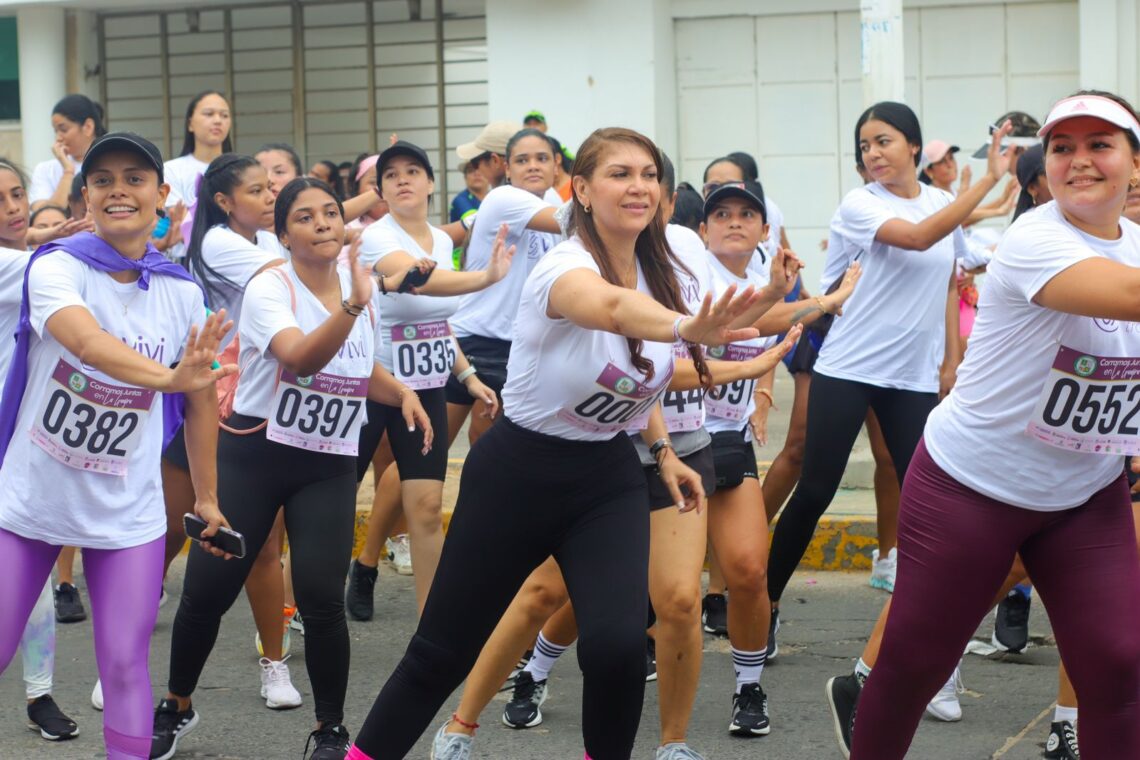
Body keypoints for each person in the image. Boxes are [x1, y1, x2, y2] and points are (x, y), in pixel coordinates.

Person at [344, 127, 766, 760]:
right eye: (620, 173)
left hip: (607, 478)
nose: (639, 186)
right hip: (519, 473)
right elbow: (610, 313)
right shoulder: (562, 265)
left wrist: (663, 451)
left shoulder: (662, 268)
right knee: (441, 653)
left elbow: (634, 371)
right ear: (583, 192)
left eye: (649, 174)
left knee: (620, 649)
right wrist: (685, 326)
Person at [834, 91, 1140, 760]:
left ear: (1134, 164)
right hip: (970, 487)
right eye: (1063, 148)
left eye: (1100, 145)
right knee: (915, 661)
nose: (1079, 161)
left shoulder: (1136, 246)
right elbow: (1128, 298)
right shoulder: (1036, 236)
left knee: (1118, 667)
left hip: (1083, 493)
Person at [152, 177, 432, 760]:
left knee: (322, 597)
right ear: (283, 235)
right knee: (208, 590)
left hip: (327, 460)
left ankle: (330, 729)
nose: (324, 223)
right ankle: (176, 706)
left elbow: (354, 369)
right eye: (304, 217)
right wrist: (353, 303)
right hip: (254, 454)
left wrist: (399, 390)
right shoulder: (269, 287)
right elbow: (302, 358)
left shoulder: (361, 294)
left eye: (331, 212)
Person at [0, 131, 234, 760]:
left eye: (135, 178)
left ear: (162, 196)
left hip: (126, 511)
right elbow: (85, 341)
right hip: (31, 499)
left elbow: (201, 399)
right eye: (103, 180)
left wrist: (208, 497)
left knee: (127, 664)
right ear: (86, 196)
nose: (119, 190)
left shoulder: (181, 291)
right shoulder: (58, 266)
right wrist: (169, 377)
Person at [764, 102, 1014, 657]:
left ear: (914, 148)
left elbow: (964, 260)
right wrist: (990, 181)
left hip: (912, 379)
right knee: (815, 491)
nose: (873, 154)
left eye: (884, 142)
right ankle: (765, 604)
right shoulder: (861, 204)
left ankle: (921, 633)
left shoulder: (940, 201)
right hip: (848, 369)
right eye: (865, 146)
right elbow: (921, 238)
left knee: (927, 500)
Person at [344, 140, 505, 617]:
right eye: (391, 175)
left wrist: (468, 374)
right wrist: (486, 277)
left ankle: (431, 627)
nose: (403, 181)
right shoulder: (377, 237)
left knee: (428, 509)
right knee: (333, 510)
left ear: (432, 182)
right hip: (374, 385)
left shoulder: (440, 239)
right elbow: (415, 281)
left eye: (413, 171)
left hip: (429, 386)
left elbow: (435, 321)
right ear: (380, 191)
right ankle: (290, 611)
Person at [0, 157, 81, 742]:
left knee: (30, 574)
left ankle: (39, 694)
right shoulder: (26, 266)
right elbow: (40, 266)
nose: (12, 207)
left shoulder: (31, 253)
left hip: (21, 439)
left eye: (16, 193)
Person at [163, 91, 234, 261]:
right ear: (190, 124)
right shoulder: (171, 170)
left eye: (224, 115)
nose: (218, 120)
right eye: (209, 114)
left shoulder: (240, 170)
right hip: (187, 260)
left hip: (232, 256)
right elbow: (181, 219)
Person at [29, 95, 106, 211]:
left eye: (63, 130)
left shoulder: (109, 164)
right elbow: (46, 214)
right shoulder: (45, 169)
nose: (58, 138)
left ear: (88, 127)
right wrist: (68, 171)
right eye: (56, 131)